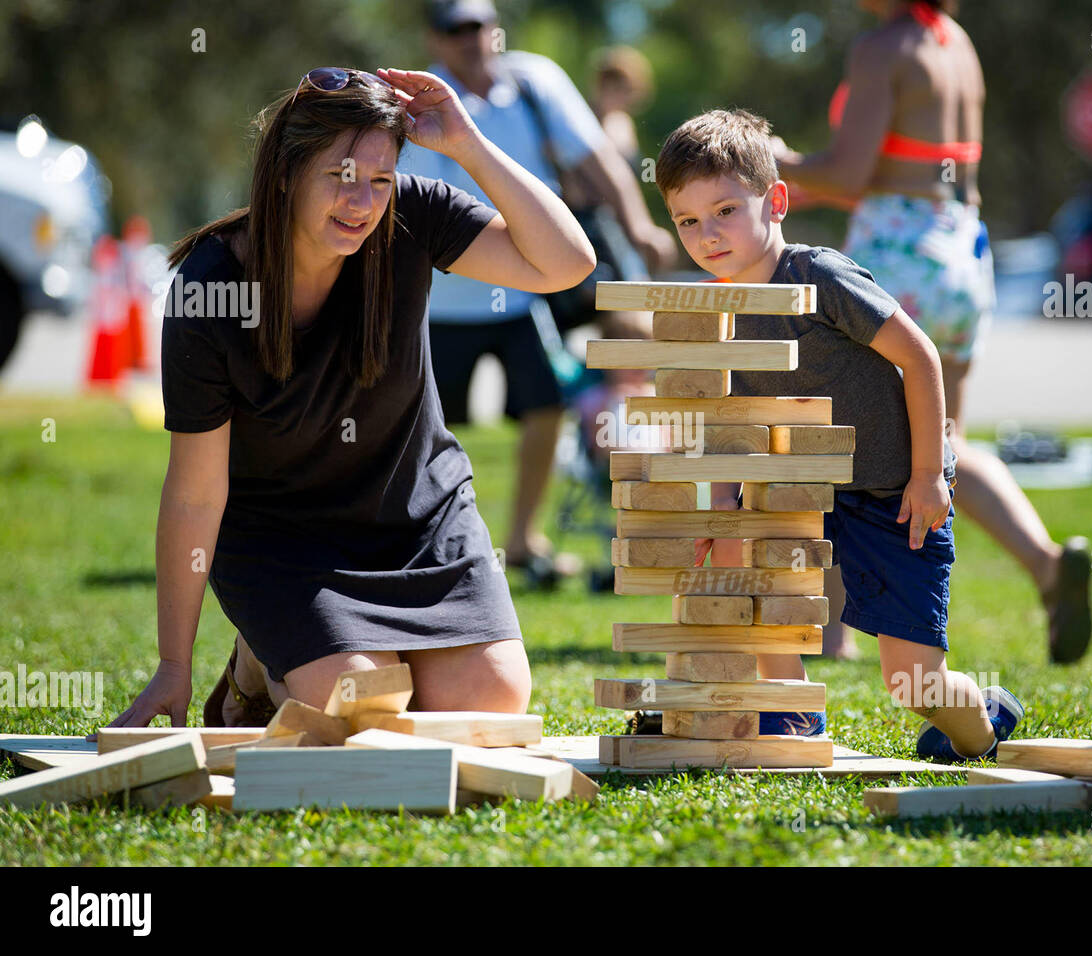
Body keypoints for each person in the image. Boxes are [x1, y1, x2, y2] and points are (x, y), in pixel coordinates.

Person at [106, 64, 596, 729]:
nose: (362, 202)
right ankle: (257, 659)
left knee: (490, 703)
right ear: (284, 171)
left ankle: (293, 653)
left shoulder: (412, 214)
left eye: (380, 178)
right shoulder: (209, 288)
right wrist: (173, 667)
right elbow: (195, 491)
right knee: (363, 707)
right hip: (286, 541)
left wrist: (468, 145)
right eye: (339, 177)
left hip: (419, 519)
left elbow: (567, 263)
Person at [657, 108, 1023, 761]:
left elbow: (920, 358)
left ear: (775, 201)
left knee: (914, 682)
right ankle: (794, 717)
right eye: (688, 220)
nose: (707, 234)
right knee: (748, 563)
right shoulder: (719, 311)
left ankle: (980, 725)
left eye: (724, 211)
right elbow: (731, 419)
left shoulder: (817, 277)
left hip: (893, 495)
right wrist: (720, 505)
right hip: (803, 491)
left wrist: (928, 474)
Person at [772, 0, 1092, 665]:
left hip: (896, 257)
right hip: (961, 253)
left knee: (840, 435)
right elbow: (905, 171)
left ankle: (833, 632)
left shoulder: (880, 47)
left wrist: (772, 161)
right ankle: (1045, 563)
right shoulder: (956, 43)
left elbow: (850, 175)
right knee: (941, 440)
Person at [398, 0, 675, 587]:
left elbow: (599, 161)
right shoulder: (419, 101)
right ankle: (409, 541)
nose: (471, 37)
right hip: (441, 303)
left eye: (479, 24)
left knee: (547, 406)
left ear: (495, 28)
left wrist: (639, 227)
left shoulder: (537, 80)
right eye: (455, 28)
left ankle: (522, 541)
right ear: (434, 38)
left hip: (523, 296)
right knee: (417, 426)